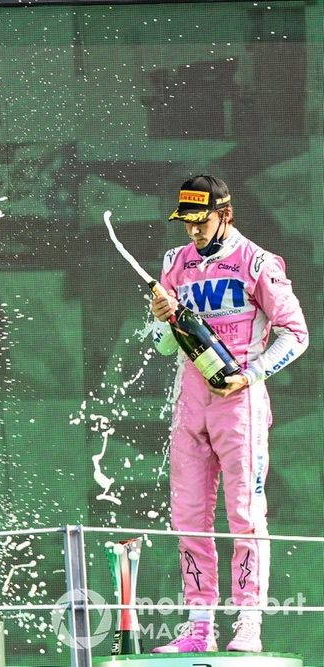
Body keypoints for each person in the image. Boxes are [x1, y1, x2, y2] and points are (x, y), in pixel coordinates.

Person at [149, 176, 308, 653]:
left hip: (240, 402)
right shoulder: (175, 263)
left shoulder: (257, 262)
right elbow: (161, 348)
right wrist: (162, 319)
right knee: (189, 517)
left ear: (225, 213)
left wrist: (251, 374)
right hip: (190, 402)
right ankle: (199, 628)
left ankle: (249, 624)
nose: (193, 231)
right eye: (187, 222)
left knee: (244, 516)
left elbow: (296, 335)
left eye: (201, 221)